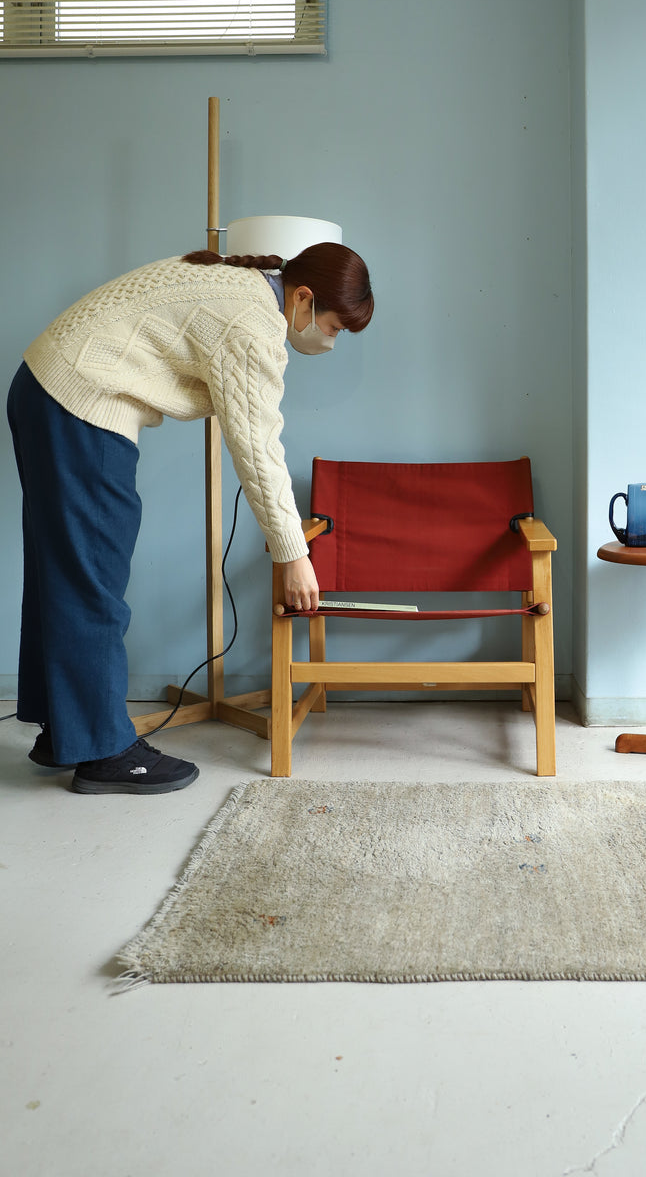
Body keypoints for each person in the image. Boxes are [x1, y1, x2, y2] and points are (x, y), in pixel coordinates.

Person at [6, 243, 373, 795]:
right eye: (334, 326)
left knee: (62, 571)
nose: (331, 339)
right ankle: (104, 751)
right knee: (94, 580)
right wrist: (294, 556)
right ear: (303, 298)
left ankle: (66, 730)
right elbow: (258, 450)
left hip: (45, 385)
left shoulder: (245, 285)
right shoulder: (252, 323)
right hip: (81, 403)